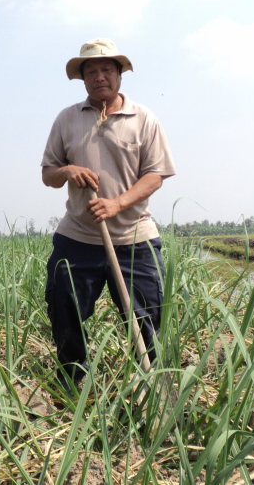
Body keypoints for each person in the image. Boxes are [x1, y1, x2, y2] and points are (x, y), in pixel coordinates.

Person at [41, 38, 176, 389]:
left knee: (146, 317)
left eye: (106, 69)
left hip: (134, 237)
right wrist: (68, 171)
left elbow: (155, 176)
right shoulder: (67, 119)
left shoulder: (143, 119)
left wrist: (117, 203)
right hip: (79, 236)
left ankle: (147, 387)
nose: (100, 76)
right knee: (63, 304)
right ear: (82, 79)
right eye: (91, 71)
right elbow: (48, 174)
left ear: (119, 74)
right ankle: (74, 380)